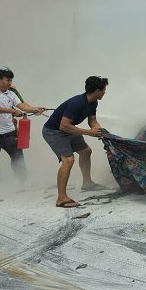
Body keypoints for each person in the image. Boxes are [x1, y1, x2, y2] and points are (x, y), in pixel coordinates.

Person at [42, 76, 108, 208]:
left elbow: (92, 121)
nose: (105, 92)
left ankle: (87, 183)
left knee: (86, 152)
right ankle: (61, 198)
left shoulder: (93, 101)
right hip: (55, 132)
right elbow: (63, 126)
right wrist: (90, 132)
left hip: (69, 130)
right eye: (103, 90)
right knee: (68, 160)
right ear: (96, 91)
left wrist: (98, 130)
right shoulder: (77, 102)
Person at [0, 67, 46, 188]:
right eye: (7, 80)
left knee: (18, 157)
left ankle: (23, 181)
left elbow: (23, 106)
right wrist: (12, 111)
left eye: (11, 80)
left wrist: (36, 108)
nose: (10, 83)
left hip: (10, 133)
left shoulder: (11, 93)